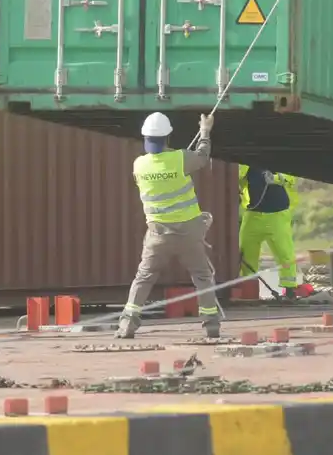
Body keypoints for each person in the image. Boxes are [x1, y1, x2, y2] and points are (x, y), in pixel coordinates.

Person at [117, 112, 223, 340]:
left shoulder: (140, 165)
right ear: (167, 137)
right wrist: (205, 130)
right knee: (202, 276)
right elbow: (203, 157)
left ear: (146, 138)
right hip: (188, 232)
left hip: (158, 234)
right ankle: (211, 325)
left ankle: (127, 325)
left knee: (144, 277)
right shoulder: (181, 158)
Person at [238, 165, 314, 299]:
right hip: (252, 215)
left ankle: (290, 290)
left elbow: (290, 178)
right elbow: (237, 177)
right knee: (246, 252)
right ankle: (248, 290)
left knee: (284, 253)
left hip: (278, 215)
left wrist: (275, 178)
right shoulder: (244, 164)